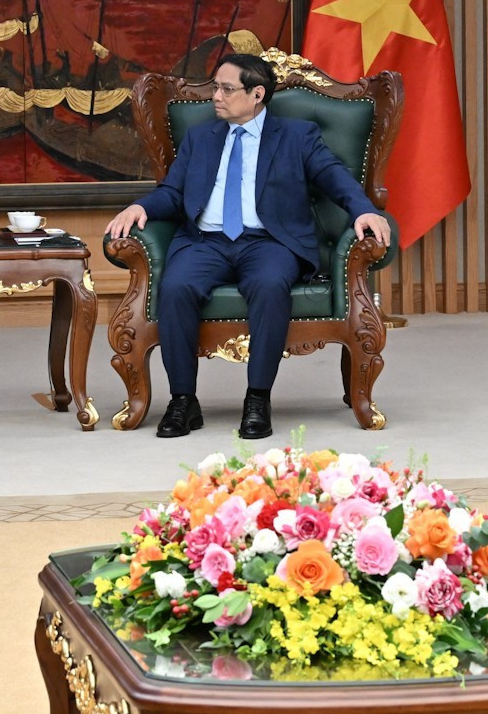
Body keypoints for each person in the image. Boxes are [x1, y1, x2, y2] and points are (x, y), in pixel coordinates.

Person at [105, 52, 392, 441]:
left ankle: (258, 398)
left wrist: (363, 210)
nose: (216, 97)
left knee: (271, 286)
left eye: (226, 89)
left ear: (257, 94)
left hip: (269, 242)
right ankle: (183, 401)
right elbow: (172, 193)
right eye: (215, 87)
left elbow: (334, 177)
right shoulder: (201, 138)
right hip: (206, 241)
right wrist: (139, 206)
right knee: (175, 288)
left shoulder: (297, 136)